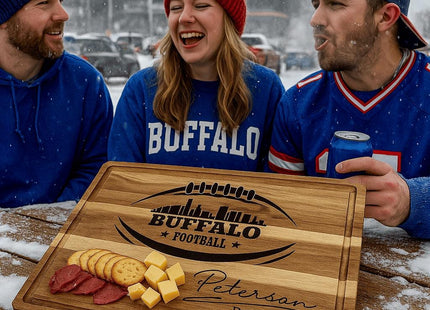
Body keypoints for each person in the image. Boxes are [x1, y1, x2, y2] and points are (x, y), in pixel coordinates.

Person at [268, 0, 430, 239]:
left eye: (335, 4)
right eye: (316, 4)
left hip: (411, 276)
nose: (316, 20)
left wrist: (413, 202)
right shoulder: (297, 104)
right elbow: (279, 214)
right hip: (322, 270)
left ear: (385, 17)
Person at [108, 0, 284, 172]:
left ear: (229, 20)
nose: (183, 17)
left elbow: (278, 190)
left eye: (201, 5)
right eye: (176, 7)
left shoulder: (266, 88)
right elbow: (122, 185)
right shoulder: (142, 88)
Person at [0, 0, 113, 208]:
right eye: (44, 3)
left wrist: (46, 219)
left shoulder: (85, 82)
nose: (63, 14)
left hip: (60, 232)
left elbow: (98, 168)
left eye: (60, 2)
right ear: (4, 20)